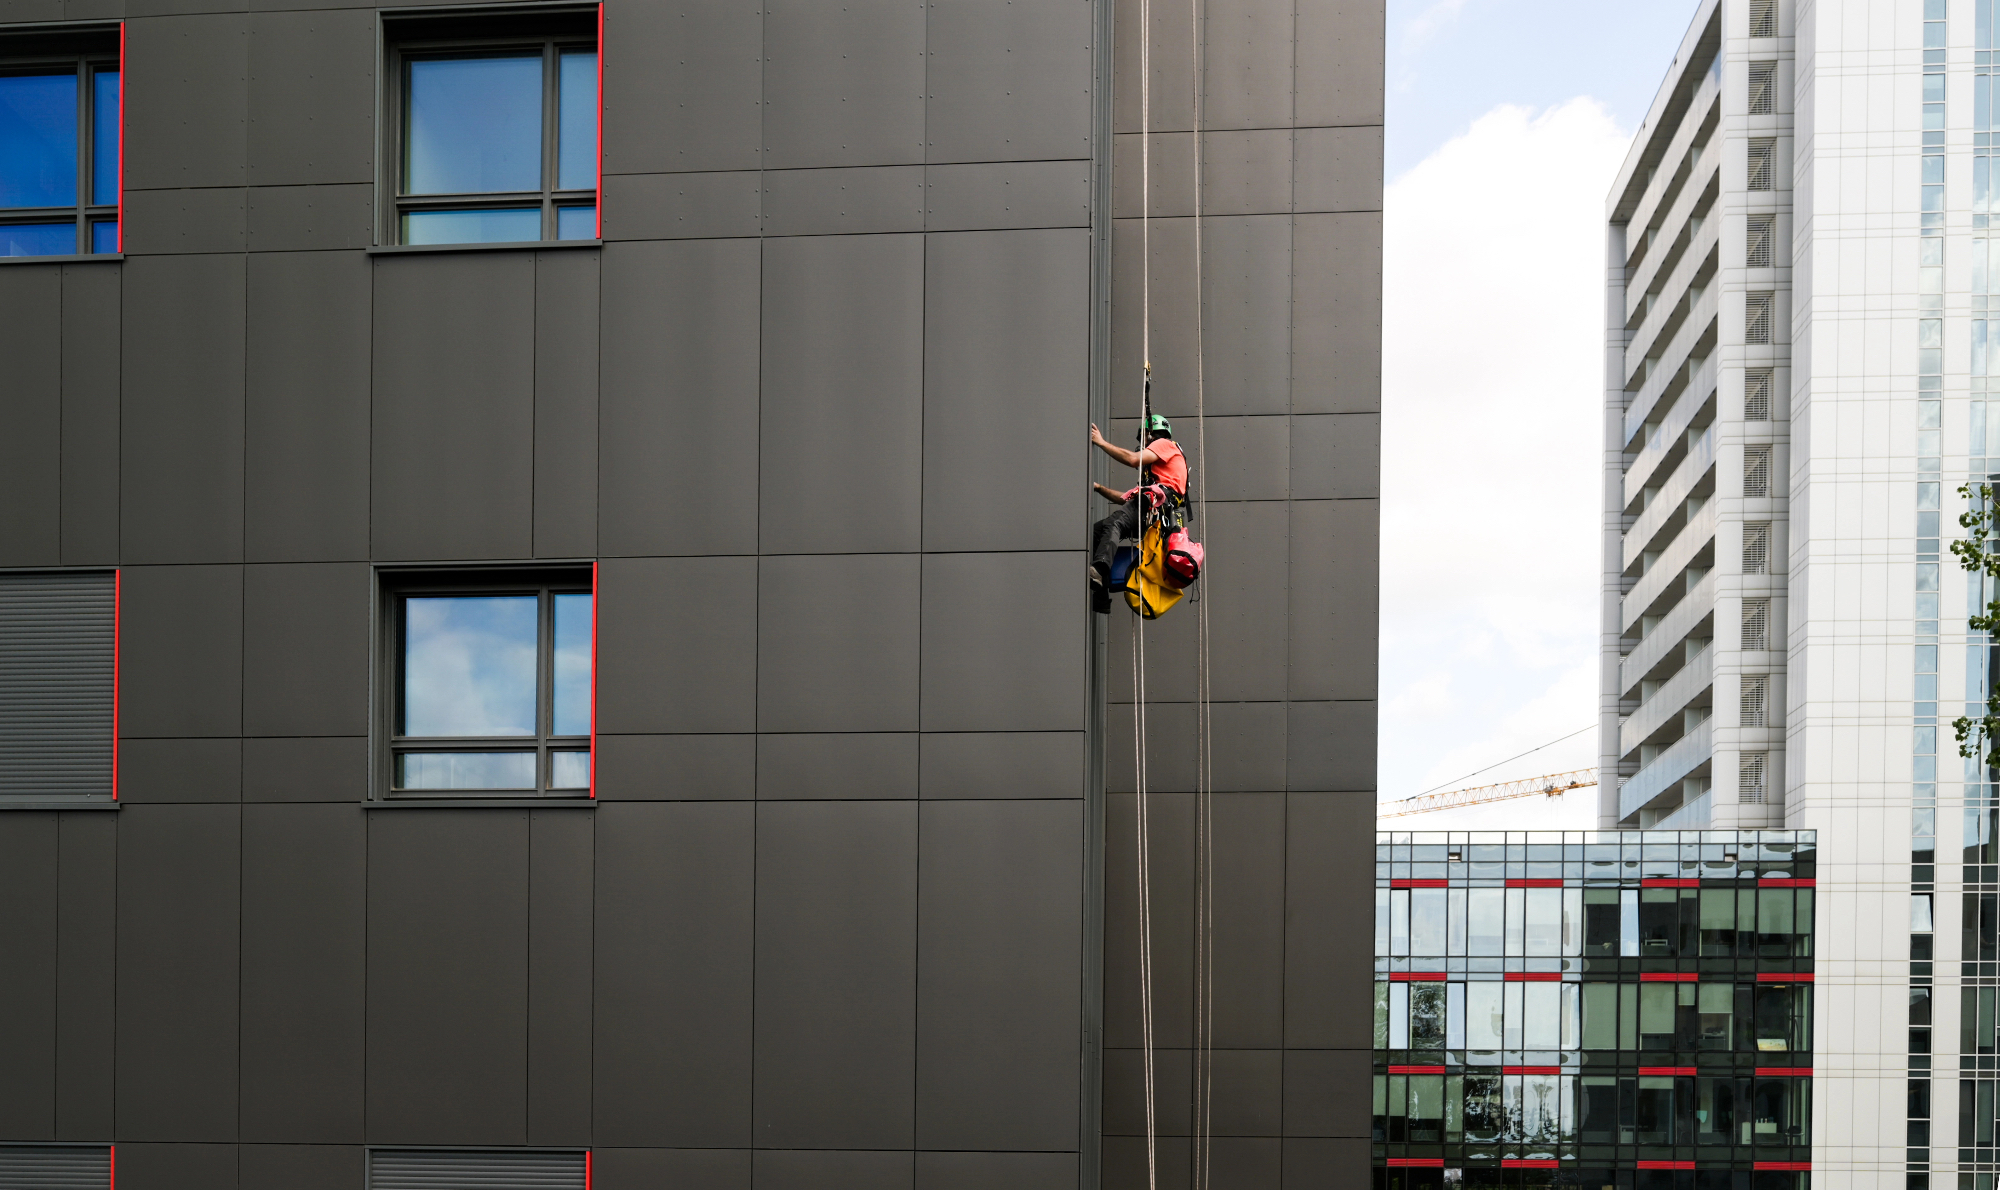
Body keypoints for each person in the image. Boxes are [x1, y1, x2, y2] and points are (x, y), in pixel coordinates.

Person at [1088, 414, 1188, 603]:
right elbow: (1126, 500)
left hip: (1153, 509)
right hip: (1156, 514)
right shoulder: (1160, 477)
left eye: (1143, 437)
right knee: (1097, 531)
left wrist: (1101, 442)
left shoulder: (1163, 444)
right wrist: (1099, 488)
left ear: (1150, 433)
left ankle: (1100, 571)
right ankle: (1101, 596)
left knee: (1115, 522)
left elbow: (1133, 459)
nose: (1143, 444)